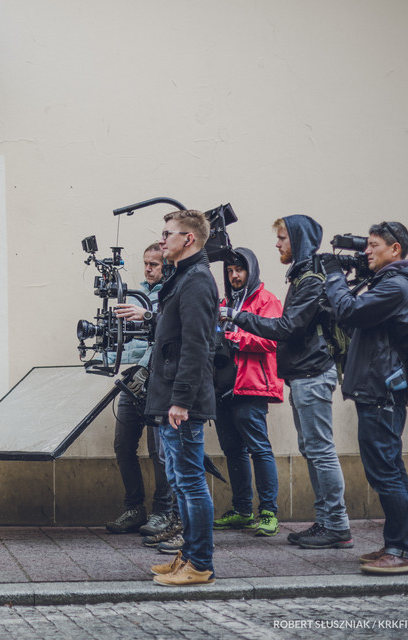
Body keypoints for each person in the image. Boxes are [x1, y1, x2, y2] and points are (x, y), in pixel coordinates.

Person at [224, 216, 353, 550]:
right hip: (303, 375)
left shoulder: (310, 278)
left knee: (320, 451)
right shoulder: (302, 274)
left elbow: (287, 328)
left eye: (282, 238)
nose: (278, 244)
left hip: (312, 373)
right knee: (311, 449)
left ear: (299, 239)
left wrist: (238, 318)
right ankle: (325, 521)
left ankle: (336, 524)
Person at [321, 221, 408, 575]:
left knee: (386, 472)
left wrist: (334, 276)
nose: (366, 250)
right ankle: (399, 542)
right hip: (380, 388)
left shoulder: (395, 286)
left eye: (374, 245)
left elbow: (348, 311)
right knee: (390, 470)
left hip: (382, 390)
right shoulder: (389, 283)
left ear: (396, 249)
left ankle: (404, 550)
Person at [140, 210, 217, 587]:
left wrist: (182, 400)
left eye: (168, 234)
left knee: (189, 482)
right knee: (180, 478)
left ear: (189, 239)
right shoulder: (184, 277)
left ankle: (200, 564)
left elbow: (196, 346)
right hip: (170, 394)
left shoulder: (198, 280)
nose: (161, 240)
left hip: (181, 401)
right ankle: (188, 555)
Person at [106, 244, 180, 545]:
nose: (149, 269)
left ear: (167, 267)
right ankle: (134, 508)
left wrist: (147, 315)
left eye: (155, 264)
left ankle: (163, 512)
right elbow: (121, 338)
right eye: (146, 263)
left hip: (157, 383)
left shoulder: (171, 293)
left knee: (159, 453)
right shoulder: (132, 296)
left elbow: (169, 332)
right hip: (130, 380)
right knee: (123, 446)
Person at [212, 248, 284, 537]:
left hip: (251, 386)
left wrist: (232, 336)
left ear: (251, 270)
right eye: (229, 271)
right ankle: (242, 511)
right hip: (222, 387)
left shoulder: (267, 301)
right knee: (232, 450)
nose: (234, 276)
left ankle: (268, 512)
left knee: (259, 449)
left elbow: (272, 338)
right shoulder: (224, 301)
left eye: (239, 270)